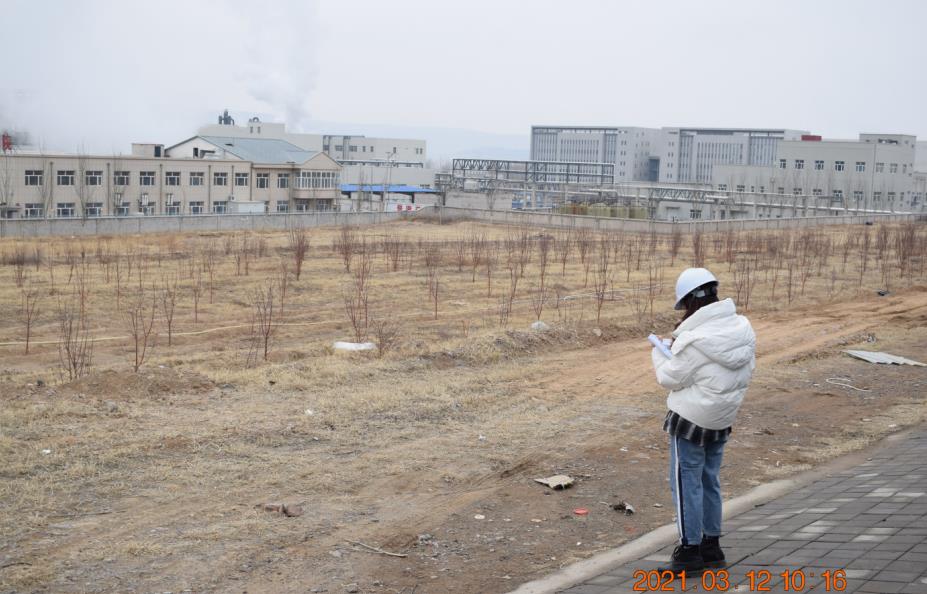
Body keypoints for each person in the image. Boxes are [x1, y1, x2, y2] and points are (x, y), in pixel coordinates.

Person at [650, 267, 756, 575]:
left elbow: (669, 378)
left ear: (690, 303)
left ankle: (689, 553)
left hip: (691, 421)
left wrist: (660, 351)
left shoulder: (695, 339)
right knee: (710, 480)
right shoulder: (742, 328)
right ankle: (712, 547)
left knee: (686, 484)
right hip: (722, 416)